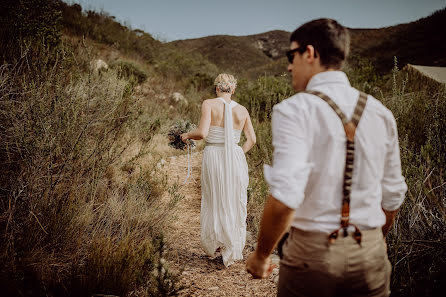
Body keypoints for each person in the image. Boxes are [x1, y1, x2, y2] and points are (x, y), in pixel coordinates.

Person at [246, 19, 407, 296]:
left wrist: (261, 256)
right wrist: (376, 240)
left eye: (290, 55)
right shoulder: (381, 113)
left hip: (312, 255)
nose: (288, 66)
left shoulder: (295, 110)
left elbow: (285, 198)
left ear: (310, 54)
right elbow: (392, 195)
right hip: (370, 254)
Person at [181, 73, 256, 267]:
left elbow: (203, 133)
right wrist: (237, 153)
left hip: (214, 155)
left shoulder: (209, 104)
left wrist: (186, 134)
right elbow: (252, 140)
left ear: (217, 88)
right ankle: (230, 245)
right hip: (235, 158)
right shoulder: (243, 110)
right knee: (232, 198)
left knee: (215, 197)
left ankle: (218, 243)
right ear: (233, 89)